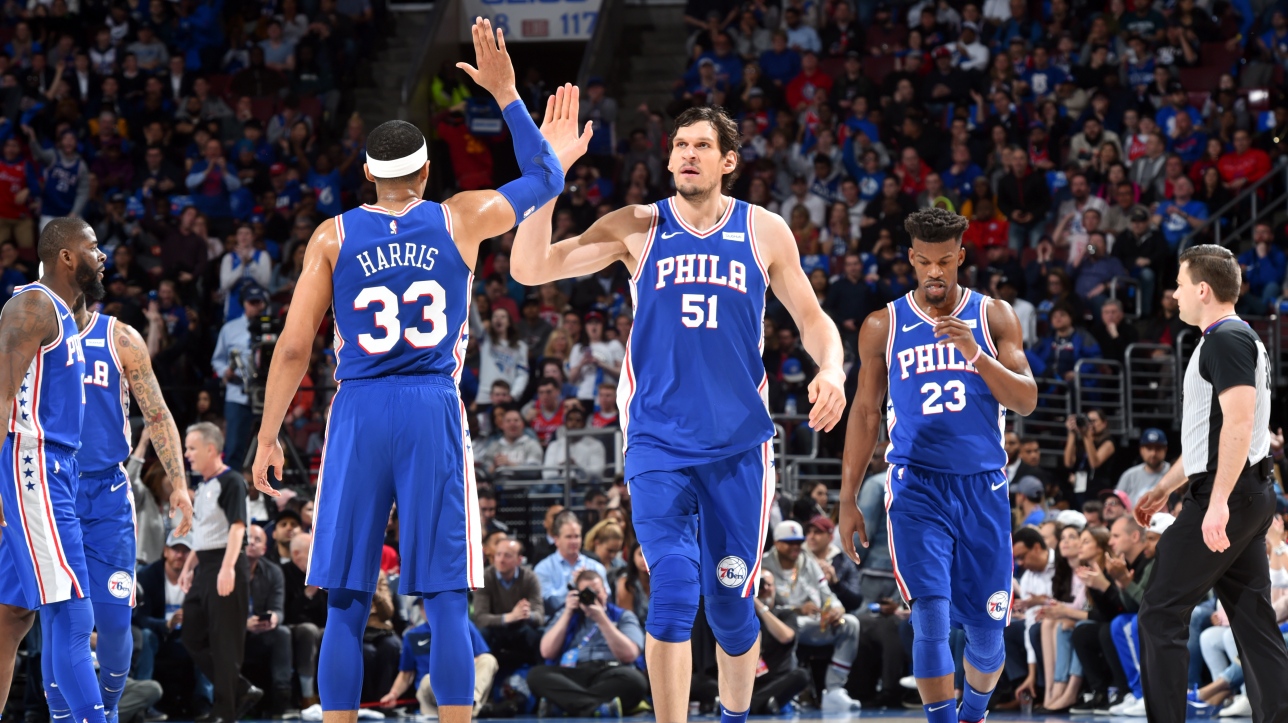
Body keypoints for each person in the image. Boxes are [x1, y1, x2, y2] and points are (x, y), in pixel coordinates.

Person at [251, 19, 567, 723]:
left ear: (368, 174)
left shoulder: (333, 234)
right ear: (426, 173)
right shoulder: (460, 217)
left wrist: (270, 433)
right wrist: (509, 96)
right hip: (431, 406)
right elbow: (547, 176)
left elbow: (295, 348)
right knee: (447, 596)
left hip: (358, 407)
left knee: (346, 598)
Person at [512, 93, 848, 720]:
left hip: (739, 448)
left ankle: (734, 716)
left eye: (701, 146)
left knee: (729, 605)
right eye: (679, 145)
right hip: (659, 442)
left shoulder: (763, 229)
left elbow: (813, 318)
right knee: (670, 588)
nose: (687, 155)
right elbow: (530, 267)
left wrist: (831, 367)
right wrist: (545, 173)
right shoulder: (638, 225)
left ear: (728, 162)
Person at [838, 206, 1038, 723]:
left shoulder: (994, 316)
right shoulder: (883, 323)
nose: (934, 272)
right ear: (911, 259)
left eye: (944, 262)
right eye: (924, 261)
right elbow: (864, 413)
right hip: (916, 485)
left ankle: (973, 714)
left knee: (988, 636)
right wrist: (847, 500)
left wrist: (976, 354)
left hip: (982, 487)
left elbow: (1026, 400)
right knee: (930, 616)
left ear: (960, 259)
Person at [1135, 244, 1288, 722]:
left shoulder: (1226, 340)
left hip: (1231, 494)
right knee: (1253, 618)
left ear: (1202, 290)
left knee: (1160, 610)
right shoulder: (1235, 338)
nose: (1175, 294)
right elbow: (1212, 436)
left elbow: (1242, 425)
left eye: (1180, 285)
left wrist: (1217, 500)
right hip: (1244, 491)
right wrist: (1166, 485)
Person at [0, 219, 106, 723]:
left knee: (11, 617)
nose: (102, 254)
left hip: (52, 469)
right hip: (33, 465)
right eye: (93, 246)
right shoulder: (34, 305)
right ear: (66, 257)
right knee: (71, 610)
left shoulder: (64, 312)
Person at [71, 290, 194, 720]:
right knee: (63, 621)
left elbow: (158, 415)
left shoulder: (119, 336)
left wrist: (179, 484)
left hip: (107, 494)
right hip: (52, 488)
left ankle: (107, 709)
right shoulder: (30, 330)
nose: (100, 258)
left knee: (115, 622)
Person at [180, 422, 260, 723]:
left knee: (225, 641)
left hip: (227, 563)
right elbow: (201, 534)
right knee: (192, 636)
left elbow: (238, 527)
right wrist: (189, 568)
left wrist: (228, 568)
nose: (187, 454)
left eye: (191, 448)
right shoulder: (202, 486)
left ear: (211, 449)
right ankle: (241, 688)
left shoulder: (232, 481)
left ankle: (224, 713)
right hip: (205, 565)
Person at [760, 520, 861, 702]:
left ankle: (834, 690)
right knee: (792, 625)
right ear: (776, 542)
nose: (795, 547)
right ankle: (790, 691)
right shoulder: (764, 564)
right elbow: (764, 605)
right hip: (782, 625)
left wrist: (835, 609)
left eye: (798, 542)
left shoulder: (808, 561)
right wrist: (796, 609)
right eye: (789, 542)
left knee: (850, 624)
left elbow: (826, 594)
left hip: (813, 623)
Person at [529, 569, 648, 717]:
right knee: (536, 675)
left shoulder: (623, 616)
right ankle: (598, 707)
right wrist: (567, 613)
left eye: (596, 592)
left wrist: (601, 619)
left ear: (605, 592)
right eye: (586, 593)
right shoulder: (566, 614)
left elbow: (630, 654)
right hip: (573, 672)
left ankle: (565, 705)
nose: (592, 598)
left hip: (609, 672)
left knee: (636, 681)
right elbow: (546, 651)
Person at [380, 614, 498, 717]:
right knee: (427, 679)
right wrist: (393, 694)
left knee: (488, 660)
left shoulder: (464, 625)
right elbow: (406, 674)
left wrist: (463, 665)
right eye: (423, 605)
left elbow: (479, 656)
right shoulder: (412, 635)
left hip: (460, 680)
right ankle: (469, 707)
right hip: (431, 685)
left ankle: (471, 701)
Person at [472, 538, 544, 667]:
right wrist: (510, 617)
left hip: (521, 628)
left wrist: (528, 614)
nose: (500, 560)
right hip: (495, 630)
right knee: (481, 634)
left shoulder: (530, 578)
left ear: (519, 560)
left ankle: (538, 675)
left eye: (507, 555)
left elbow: (540, 615)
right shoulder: (485, 578)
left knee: (539, 635)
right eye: (498, 554)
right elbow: (480, 618)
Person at [1116, 429, 1170, 504]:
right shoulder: (1129, 475)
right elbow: (1115, 502)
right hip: (1132, 515)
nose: (1153, 453)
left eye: (1158, 448)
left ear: (1165, 450)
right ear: (1141, 450)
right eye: (1149, 448)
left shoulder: (1173, 472)